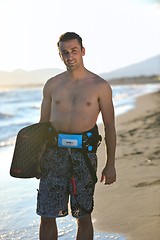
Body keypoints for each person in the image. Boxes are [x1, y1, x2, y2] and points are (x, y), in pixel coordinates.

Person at [37, 32, 116, 240]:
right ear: (60, 55)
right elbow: (42, 126)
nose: (70, 56)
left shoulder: (100, 86)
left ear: (83, 51)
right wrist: (36, 159)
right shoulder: (52, 85)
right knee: (46, 214)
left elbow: (109, 126)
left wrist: (111, 164)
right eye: (64, 52)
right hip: (53, 156)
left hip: (84, 156)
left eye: (74, 51)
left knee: (84, 215)